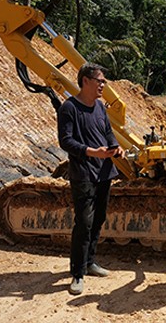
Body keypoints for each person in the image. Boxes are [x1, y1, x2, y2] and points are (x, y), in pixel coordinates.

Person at [57, 63, 124, 296]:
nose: (103, 85)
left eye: (104, 82)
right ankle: (77, 273)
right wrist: (91, 151)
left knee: (99, 219)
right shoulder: (69, 108)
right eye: (100, 81)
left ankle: (90, 261)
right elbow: (65, 141)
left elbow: (107, 132)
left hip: (104, 171)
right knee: (84, 222)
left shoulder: (99, 107)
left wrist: (116, 148)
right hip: (83, 173)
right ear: (85, 81)